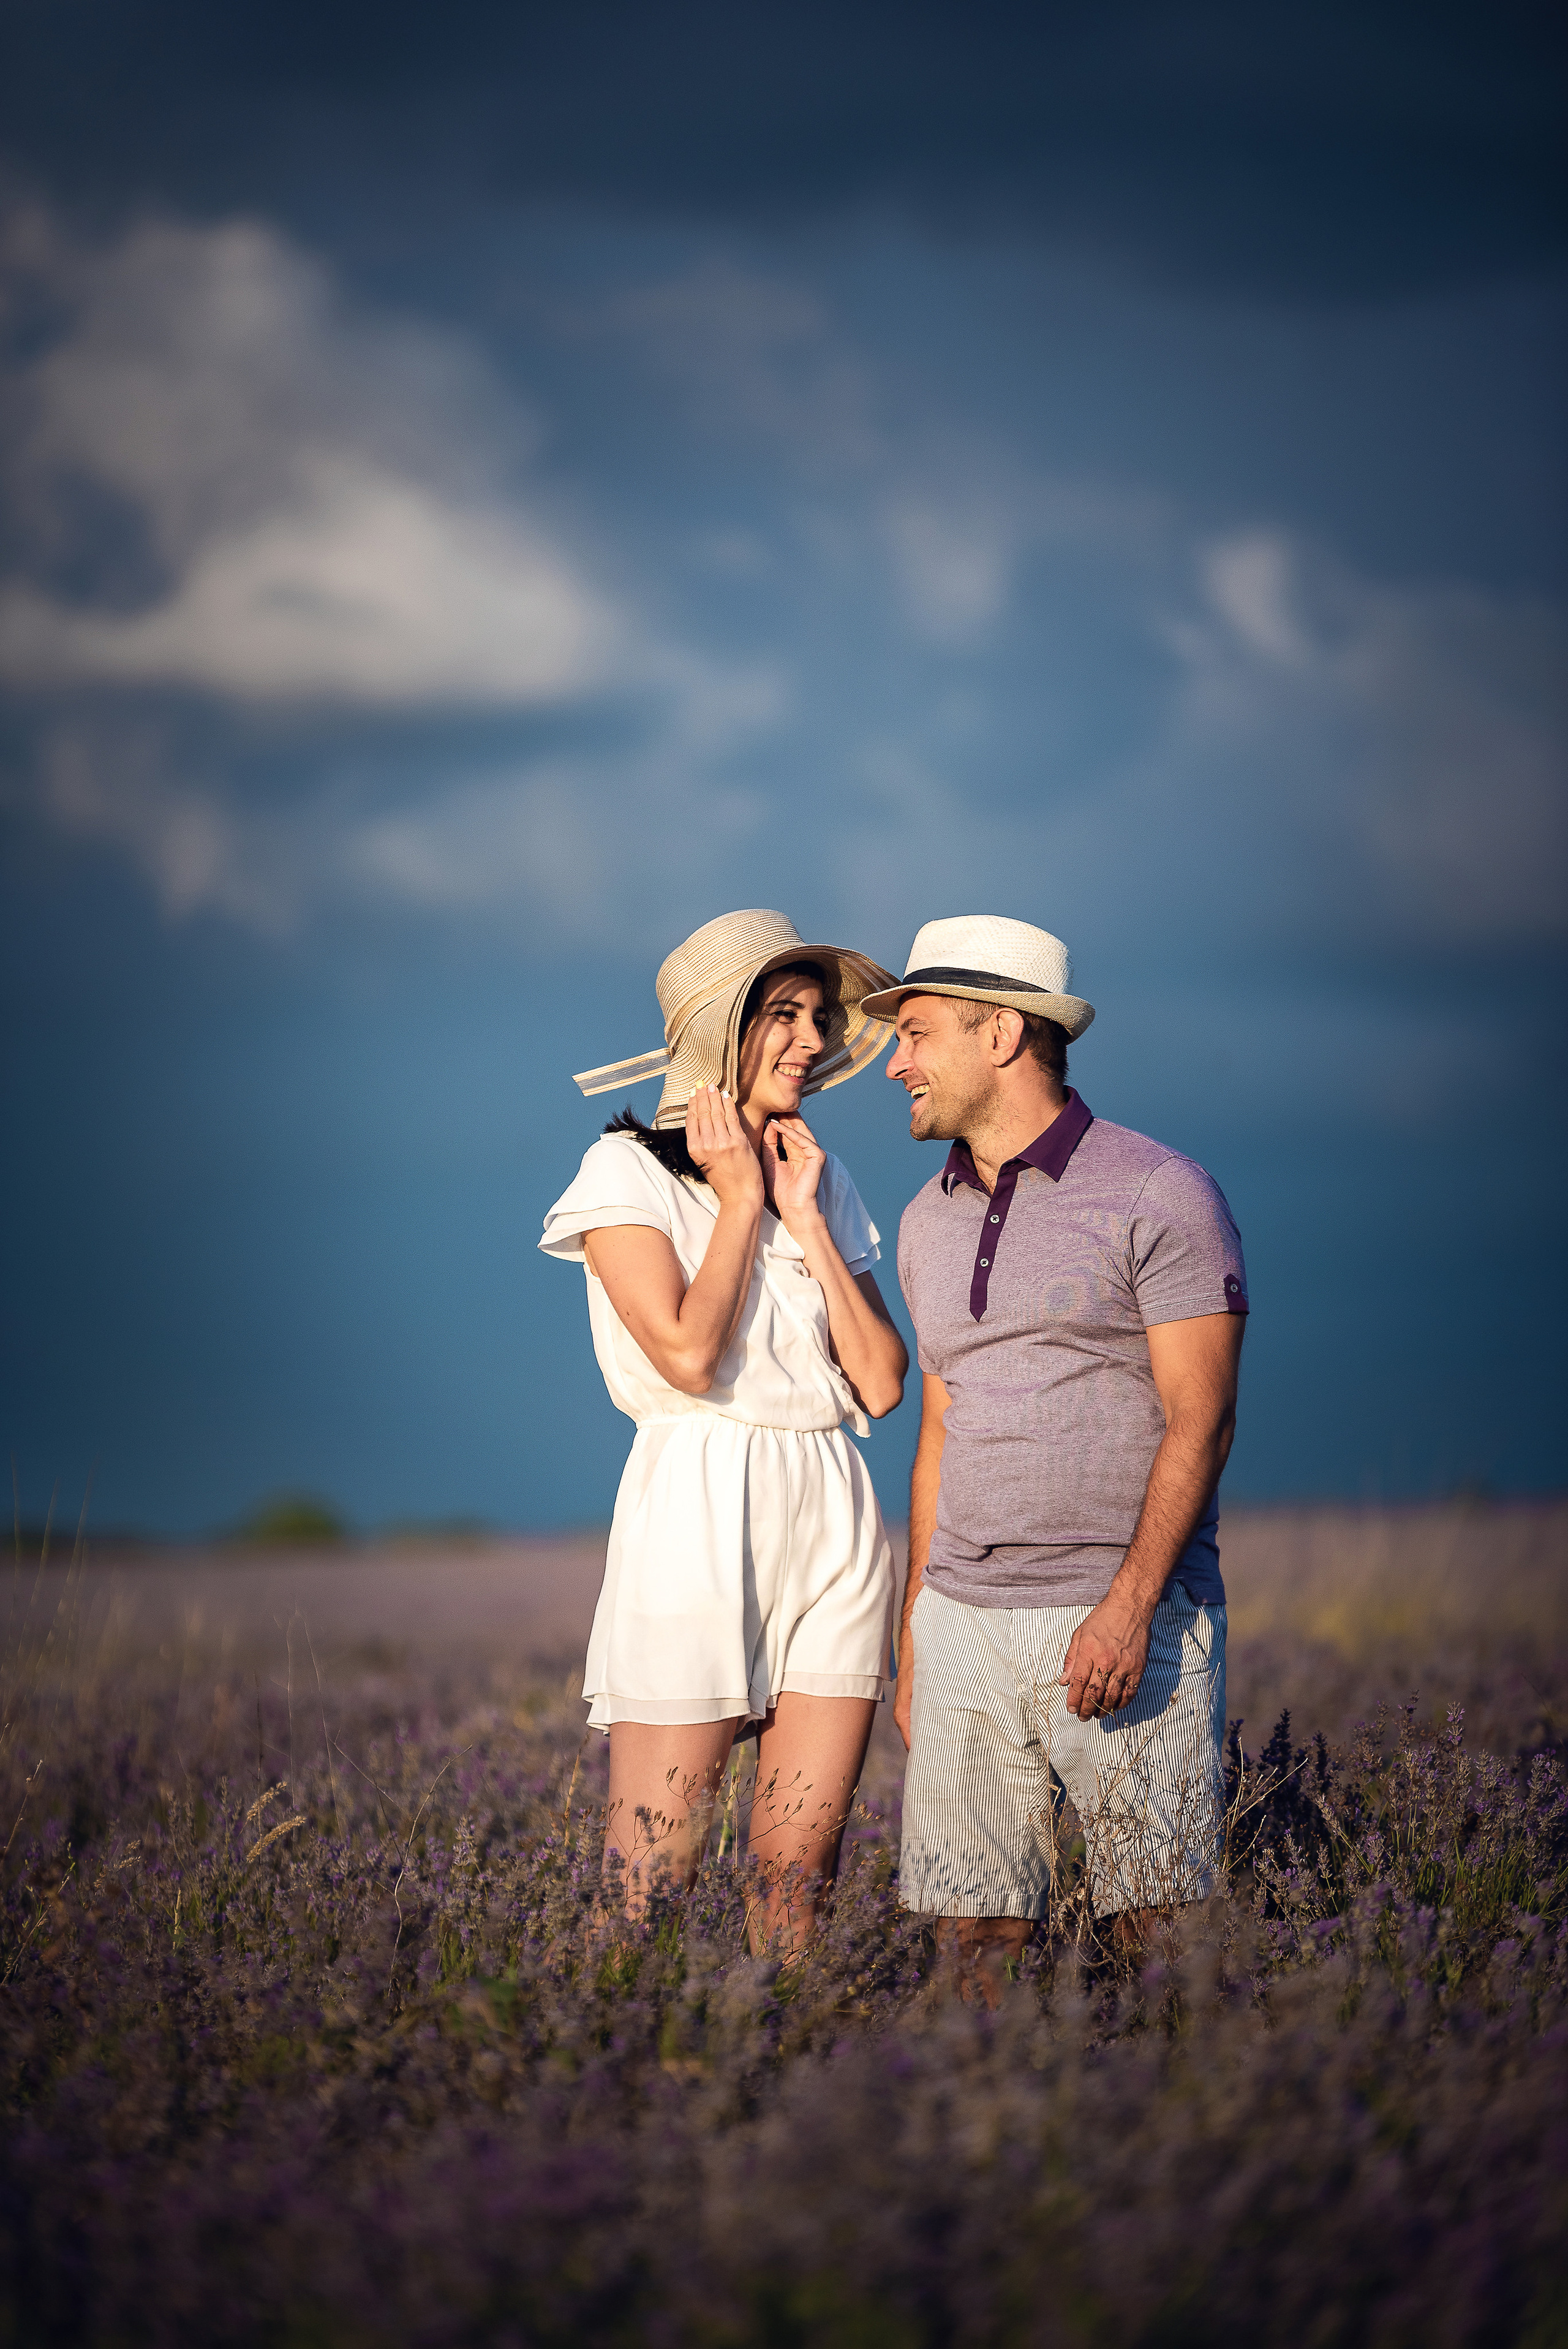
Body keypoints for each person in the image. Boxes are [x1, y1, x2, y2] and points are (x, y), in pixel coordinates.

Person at [860, 915, 1248, 2000]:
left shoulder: (1161, 1190)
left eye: (917, 1032)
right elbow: (939, 1430)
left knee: (1164, 1931)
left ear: (999, 1032)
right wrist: (917, 1635)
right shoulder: (923, 1219)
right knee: (971, 1942)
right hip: (964, 1625)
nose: (895, 1060)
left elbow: (1203, 1418)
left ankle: (1202, 2143)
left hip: (1125, 1615)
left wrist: (1129, 1606)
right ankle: (993, 2154)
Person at [540, 909, 909, 1951]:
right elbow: (690, 1356)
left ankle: (789, 2080)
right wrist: (741, 1200)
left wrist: (803, 1215)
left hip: (833, 1509)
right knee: (653, 1875)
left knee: (799, 1875)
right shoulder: (624, 1176)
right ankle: (616, 2076)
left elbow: (881, 1382)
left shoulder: (823, 1180)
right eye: (783, 1015)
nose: (812, 1038)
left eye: (819, 1015)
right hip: (700, 1505)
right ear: (721, 1034)